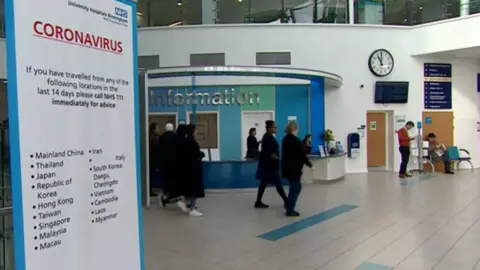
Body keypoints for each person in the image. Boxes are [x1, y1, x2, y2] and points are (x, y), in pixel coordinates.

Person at [255, 120, 288, 209]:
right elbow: (271, 154)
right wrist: (280, 160)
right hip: (269, 167)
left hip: (267, 166)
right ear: (269, 128)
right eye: (274, 127)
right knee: (278, 184)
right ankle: (286, 201)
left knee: (263, 183)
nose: (276, 128)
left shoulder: (268, 137)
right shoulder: (268, 139)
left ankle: (258, 201)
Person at [282, 122, 312, 217]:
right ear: (295, 129)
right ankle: (290, 209)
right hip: (295, 169)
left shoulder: (285, 139)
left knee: (294, 187)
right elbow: (302, 155)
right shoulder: (296, 141)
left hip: (287, 167)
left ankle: (289, 205)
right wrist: (309, 164)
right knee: (295, 188)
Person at [178, 124, 205, 217]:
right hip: (193, 168)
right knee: (194, 188)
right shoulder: (192, 142)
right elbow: (195, 154)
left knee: (189, 188)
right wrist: (202, 154)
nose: (197, 132)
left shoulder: (185, 141)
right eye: (196, 130)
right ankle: (192, 208)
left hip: (188, 168)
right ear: (193, 131)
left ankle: (185, 202)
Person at [158, 123, 180, 207]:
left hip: (164, 163)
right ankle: (172, 196)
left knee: (166, 180)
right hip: (174, 163)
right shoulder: (176, 137)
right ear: (172, 128)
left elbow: (159, 151)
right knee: (173, 180)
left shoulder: (162, 137)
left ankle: (165, 195)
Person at [149, 122, 162, 197]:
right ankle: (149, 191)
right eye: (157, 128)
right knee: (150, 176)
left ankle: (150, 191)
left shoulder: (152, 136)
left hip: (152, 160)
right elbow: (157, 149)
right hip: (152, 160)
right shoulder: (154, 138)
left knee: (150, 176)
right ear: (153, 129)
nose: (158, 129)